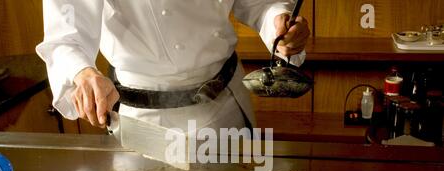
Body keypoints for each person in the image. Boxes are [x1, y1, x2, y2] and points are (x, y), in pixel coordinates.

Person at [36, 1, 310, 134]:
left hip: (225, 105)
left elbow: (258, 3)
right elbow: (65, 39)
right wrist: (82, 72)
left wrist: (278, 21)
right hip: (146, 124)